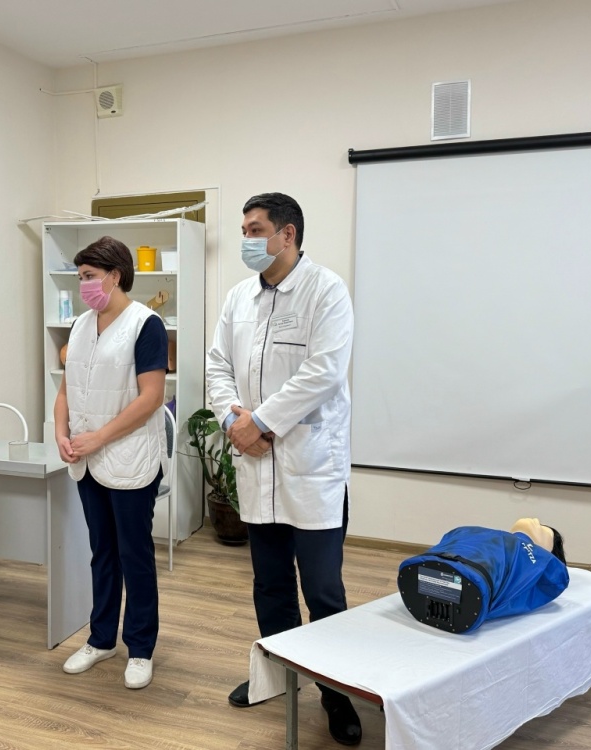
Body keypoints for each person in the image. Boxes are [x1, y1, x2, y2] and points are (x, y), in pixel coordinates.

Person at [206, 193, 361, 745]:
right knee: (269, 585)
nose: (246, 239)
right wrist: (233, 421)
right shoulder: (239, 298)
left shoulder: (326, 291)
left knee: (323, 591)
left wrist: (262, 423)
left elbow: (324, 373)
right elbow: (218, 365)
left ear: (287, 234)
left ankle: (336, 694)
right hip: (256, 466)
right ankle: (277, 677)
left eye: (255, 229)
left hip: (309, 468)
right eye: (244, 229)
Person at [53, 236, 169, 690]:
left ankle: (140, 648)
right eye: (80, 276)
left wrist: (99, 437)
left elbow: (152, 397)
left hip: (129, 458)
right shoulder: (81, 324)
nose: (83, 284)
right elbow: (67, 390)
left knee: (133, 555)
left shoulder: (146, 324)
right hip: (87, 460)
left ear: (115, 276)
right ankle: (101, 639)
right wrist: (60, 433)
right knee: (101, 552)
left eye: (89, 276)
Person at [397, 518, 569, 634]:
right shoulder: (534, 556)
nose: (534, 521)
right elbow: (557, 579)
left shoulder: (466, 530)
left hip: (428, 571)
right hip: (471, 593)